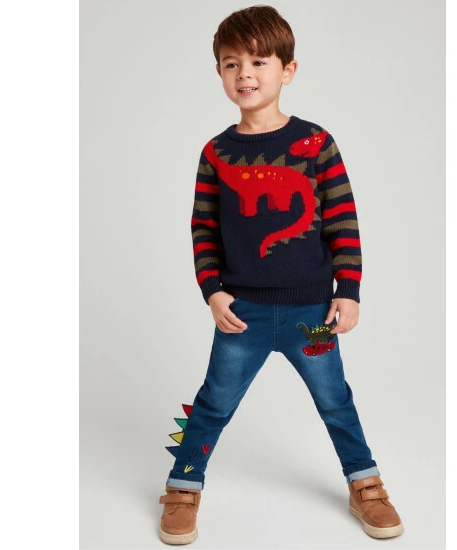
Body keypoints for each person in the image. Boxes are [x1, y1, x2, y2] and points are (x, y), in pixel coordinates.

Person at [158, 5, 404, 545]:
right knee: (213, 401)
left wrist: (349, 291)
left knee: (335, 399)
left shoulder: (316, 143)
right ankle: (183, 484)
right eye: (232, 63)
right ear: (219, 73)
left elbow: (342, 220)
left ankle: (365, 483)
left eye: (258, 62)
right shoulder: (216, 153)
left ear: (287, 70)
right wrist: (212, 291)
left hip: (311, 313)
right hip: (241, 315)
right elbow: (203, 228)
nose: (244, 73)